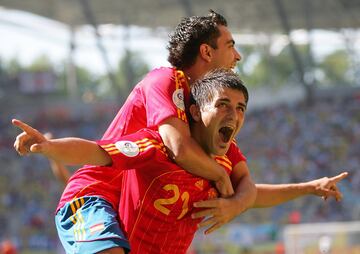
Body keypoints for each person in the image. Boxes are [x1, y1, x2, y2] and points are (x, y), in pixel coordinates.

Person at [13, 69, 348, 254]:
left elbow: (254, 196)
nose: (234, 114)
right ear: (194, 113)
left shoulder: (227, 166)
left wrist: (309, 187)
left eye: (241, 108)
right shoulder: (158, 146)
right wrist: (48, 146)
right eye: (224, 104)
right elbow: (96, 151)